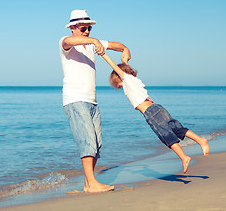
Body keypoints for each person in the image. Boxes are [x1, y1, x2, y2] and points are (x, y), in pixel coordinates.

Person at [101, 52, 210, 173]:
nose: (119, 86)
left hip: (150, 112)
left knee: (166, 135)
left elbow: (116, 68)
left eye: (118, 83)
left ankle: (184, 157)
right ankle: (201, 140)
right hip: (158, 108)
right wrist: (125, 62)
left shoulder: (127, 79)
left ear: (120, 77)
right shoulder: (134, 79)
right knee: (176, 128)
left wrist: (103, 54)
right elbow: (125, 70)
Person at [59, 10, 131, 193]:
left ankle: (87, 183)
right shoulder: (66, 43)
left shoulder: (92, 44)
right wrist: (93, 41)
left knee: (97, 143)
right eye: (84, 28)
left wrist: (125, 50)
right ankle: (92, 183)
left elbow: (117, 45)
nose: (87, 32)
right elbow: (69, 41)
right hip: (75, 99)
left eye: (89, 28)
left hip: (92, 101)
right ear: (73, 28)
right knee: (87, 141)